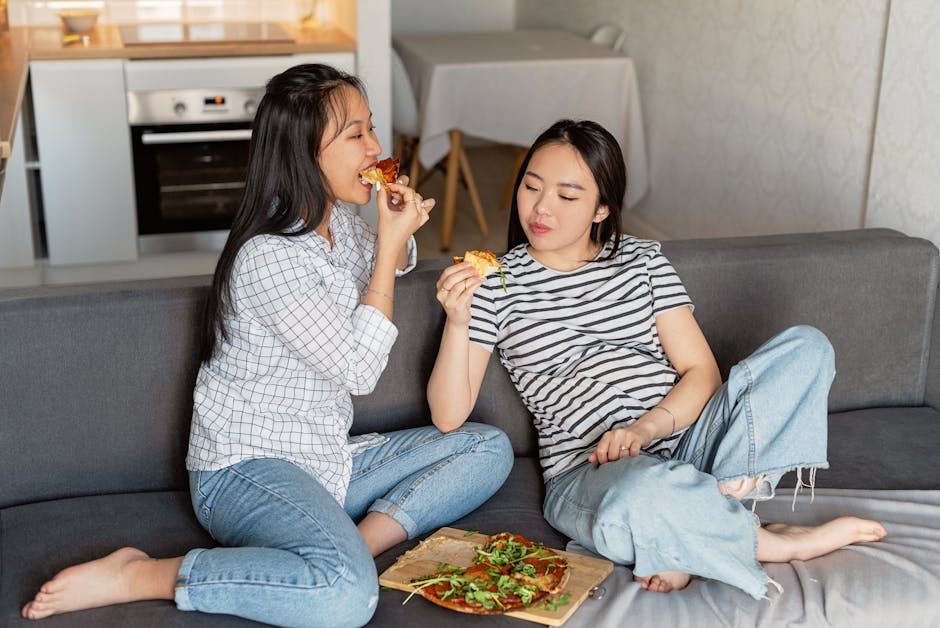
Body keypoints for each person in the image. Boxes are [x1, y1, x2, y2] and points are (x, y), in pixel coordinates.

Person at [21, 64, 513, 627]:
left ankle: (351, 542)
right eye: (355, 135)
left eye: (371, 128)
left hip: (327, 461)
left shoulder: (339, 227)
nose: (376, 147)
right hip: (245, 469)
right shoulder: (268, 258)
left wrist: (395, 232)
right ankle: (142, 572)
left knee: (486, 447)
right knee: (348, 597)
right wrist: (387, 248)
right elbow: (359, 368)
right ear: (304, 153)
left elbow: (394, 266)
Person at [427, 119, 886, 599]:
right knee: (642, 493)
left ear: (602, 207)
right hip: (592, 471)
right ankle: (773, 542)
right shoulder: (494, 283)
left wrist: (646, 429)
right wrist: (458, 322)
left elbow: (701, 373)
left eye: (567, 196)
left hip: (688, 440)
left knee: (807, 348)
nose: (540, 208)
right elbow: (447, 414)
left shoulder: (642, 262)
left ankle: (687, 530)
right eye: (531, 186)